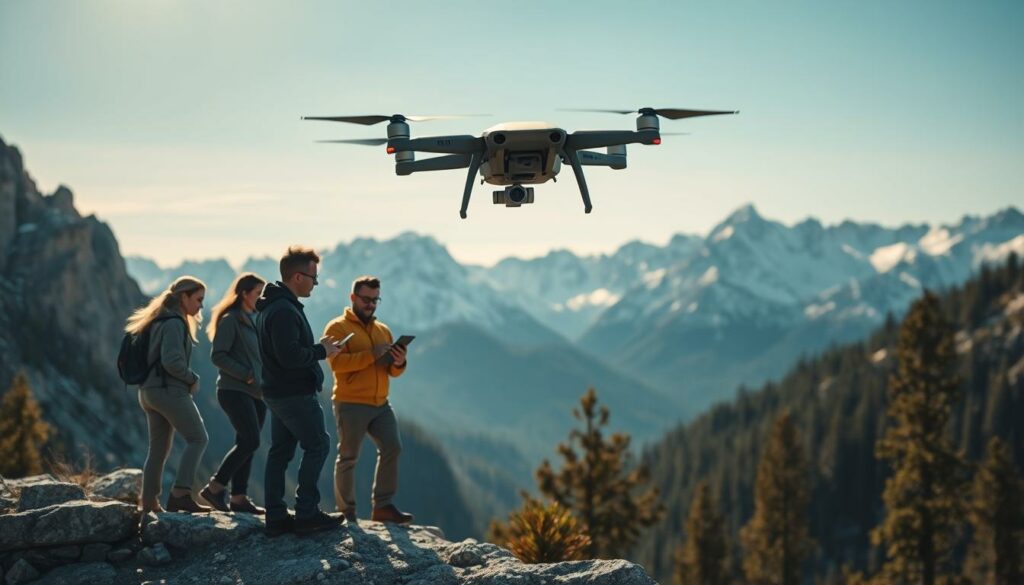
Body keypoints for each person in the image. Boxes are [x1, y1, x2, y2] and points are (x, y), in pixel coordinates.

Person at [256, 246, 344, 536]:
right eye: (313, 277)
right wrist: (323, 351)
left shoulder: (274, 305)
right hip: (293, 393)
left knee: (280, 452)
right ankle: (306, 514)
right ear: (297, 277)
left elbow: (286, 351)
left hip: (277, 391)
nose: (315, 283)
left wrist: (318, 346)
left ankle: (276, 517)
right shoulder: (283, 310)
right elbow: (289, 356)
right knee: (318, 444)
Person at [323, 275, 413, 525]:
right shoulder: (337, 328)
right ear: (353, 297)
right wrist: (371, 355)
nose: (371, 304)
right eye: (366, 299)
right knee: (349, 456)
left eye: (375, 300)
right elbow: (338, 365)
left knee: (392, 447)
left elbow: (391, 372)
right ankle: (346, 510)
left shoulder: (383, 330)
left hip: (381, 403)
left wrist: (399, 361)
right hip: (350, 403)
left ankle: (383, 507)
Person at [125, 276, 211, 515]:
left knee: (158, 449)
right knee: (198, 438)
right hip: (168, 391)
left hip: (148, 392)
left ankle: (149, 504)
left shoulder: (158, 319)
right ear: (183, 297)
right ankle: (181, 494)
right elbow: (172, 361)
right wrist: (192, 378)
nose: (201, 306)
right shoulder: (174, 323)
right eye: (198, 299)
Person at [200, 273, 267, 514]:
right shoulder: (231, 320)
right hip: (234, 390)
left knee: (246, 443)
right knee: (250, 440)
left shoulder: (256, 319)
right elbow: (218, 356)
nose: (260, 298)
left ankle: (239, 498)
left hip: (257, 393)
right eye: (257, 294)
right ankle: (216, 487)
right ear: (244, 294)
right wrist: (247, 374)